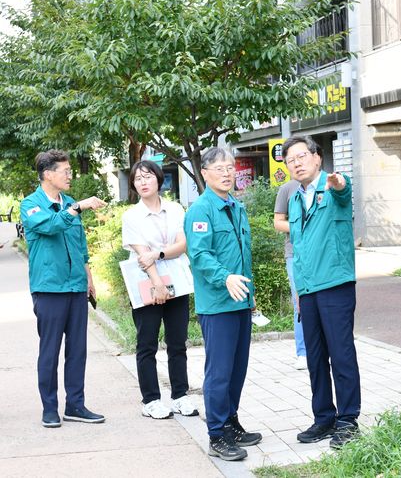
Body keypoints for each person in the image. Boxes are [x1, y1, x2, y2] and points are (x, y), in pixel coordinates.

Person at [282, 135, 361, 449]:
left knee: (341, 354)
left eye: (302, 156)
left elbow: (344, 191)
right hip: (309, 289)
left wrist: (340, 183)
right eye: (291, 160)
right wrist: (299, 292)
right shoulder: (293, 198)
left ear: (317, 157)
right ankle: (324, 416)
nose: (297, 163)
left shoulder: (333, 187)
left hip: (335, 285)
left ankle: (348, 419)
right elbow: (298, 248)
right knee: (315, 357)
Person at [184, 147, 262, 461]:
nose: (227, 173)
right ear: (204, 173)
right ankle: (216, 435)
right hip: (217, 303)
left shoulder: (236, 207)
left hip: (240, 302)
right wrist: (225, 278)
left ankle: (231, 422)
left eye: (230, 167)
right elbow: (200, 256)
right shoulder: (201, 210)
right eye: (219, 168)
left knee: (238, 369)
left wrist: (249, 294)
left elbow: (244, 255)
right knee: (219, 371)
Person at [20, 149, 107, 428]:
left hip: (75, 286)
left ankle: (76, 405)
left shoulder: (68, 202)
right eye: (65, 171)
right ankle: (49, 408)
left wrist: (89, 279)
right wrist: (77, 207)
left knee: (78, 350)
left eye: (70, 170)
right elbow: (51, 226)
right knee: (50, 350)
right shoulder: (31, 205)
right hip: (49, 289)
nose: (70, 175)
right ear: (48, 175)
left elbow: (80, 246)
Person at [121, 160, 198, 420]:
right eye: (137, 179)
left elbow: (183, 244)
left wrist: (160, 253)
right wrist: (157, 284)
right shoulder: (131, 216)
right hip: (147, 286)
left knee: (178, 342)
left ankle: (180, 395)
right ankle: (151, 400)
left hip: (178, 282)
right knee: (147, 343)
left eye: (147, 177)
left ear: (158, 179)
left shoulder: (176, 209)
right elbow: (143, 257)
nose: (142, 182)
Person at [273, 178, 307, 370]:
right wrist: (300, 227)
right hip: (294, 253)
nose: (298, 163)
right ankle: (302, 352)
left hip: (320, 253)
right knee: (300, 303)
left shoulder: (325, 184)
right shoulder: (287, 188)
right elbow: (278, 222)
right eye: (292, 159)